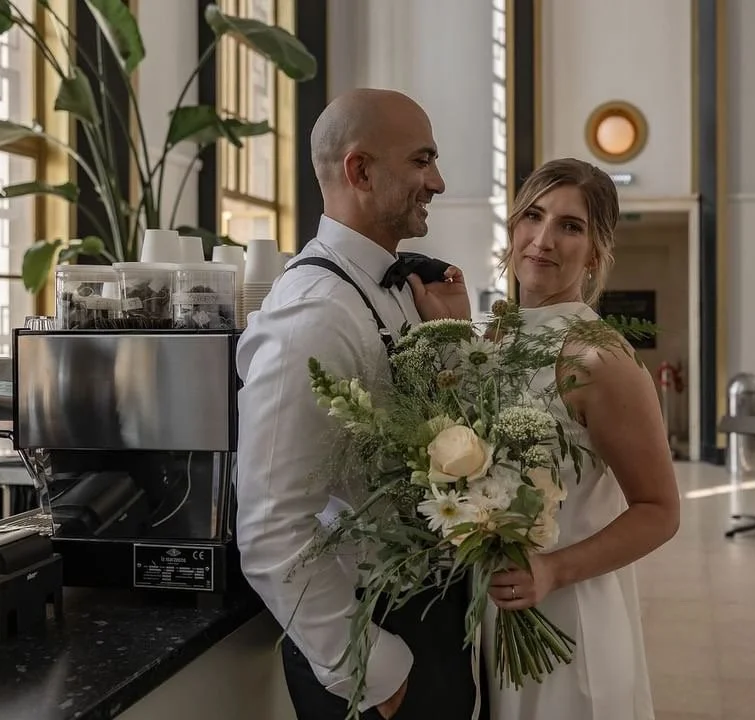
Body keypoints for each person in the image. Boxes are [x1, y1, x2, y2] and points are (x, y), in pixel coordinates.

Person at [235, 89, 478, 720]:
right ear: (360, 170)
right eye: (422, 162)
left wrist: (451, 342)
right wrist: (379, 674)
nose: (439, 181)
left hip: (427, 616)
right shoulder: (314, 316)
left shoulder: (400, 289)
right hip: (373, 645)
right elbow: (269, 528)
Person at [481, 158, 681, 720]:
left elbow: (660, 510)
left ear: (595, 252)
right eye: (534, 216)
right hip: (494, 613)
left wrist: (552, 570)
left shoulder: (600, 356)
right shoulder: (491, 337)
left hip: (569, 620)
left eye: (570, 226)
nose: (543, 240)